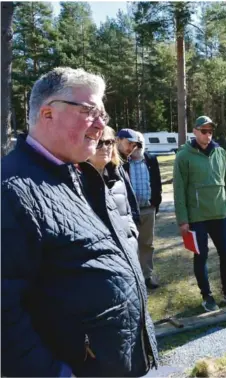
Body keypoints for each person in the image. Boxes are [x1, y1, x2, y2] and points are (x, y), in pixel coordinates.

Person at [1, 67, 158, 377]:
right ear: (47, 114)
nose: (101, 125)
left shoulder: (80, 175)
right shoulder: (11, 190)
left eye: (103, 114)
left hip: (122, 362)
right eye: (89, 112)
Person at [173, 115, 226, 312]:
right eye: (203, 131)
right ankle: (207, 296)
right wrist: (183, 220)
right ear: (195, 132)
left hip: (219, 215)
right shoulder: (184, 156)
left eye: (210, 131)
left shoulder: (220, 153)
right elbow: (179, 190)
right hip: (197, 218)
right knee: (201, 257)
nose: (207, 134)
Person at [123, 131, 163, 290]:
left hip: (148, 209)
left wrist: (155, 203)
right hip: (129, 212)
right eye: (134, 144)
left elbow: (157, 183)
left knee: (147, 244)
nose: (137, 147)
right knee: (129, 245)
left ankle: (147, 276)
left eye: (140, 143)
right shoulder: (123, 162)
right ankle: (132, 278)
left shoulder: (151, 160)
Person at [87, 125, 139, 238]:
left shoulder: (116, 175)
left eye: (109, 142)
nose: (105, 147)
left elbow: (128, 211)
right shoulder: (76, 180)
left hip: (126, 247)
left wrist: (132, 234)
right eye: (99, 142)